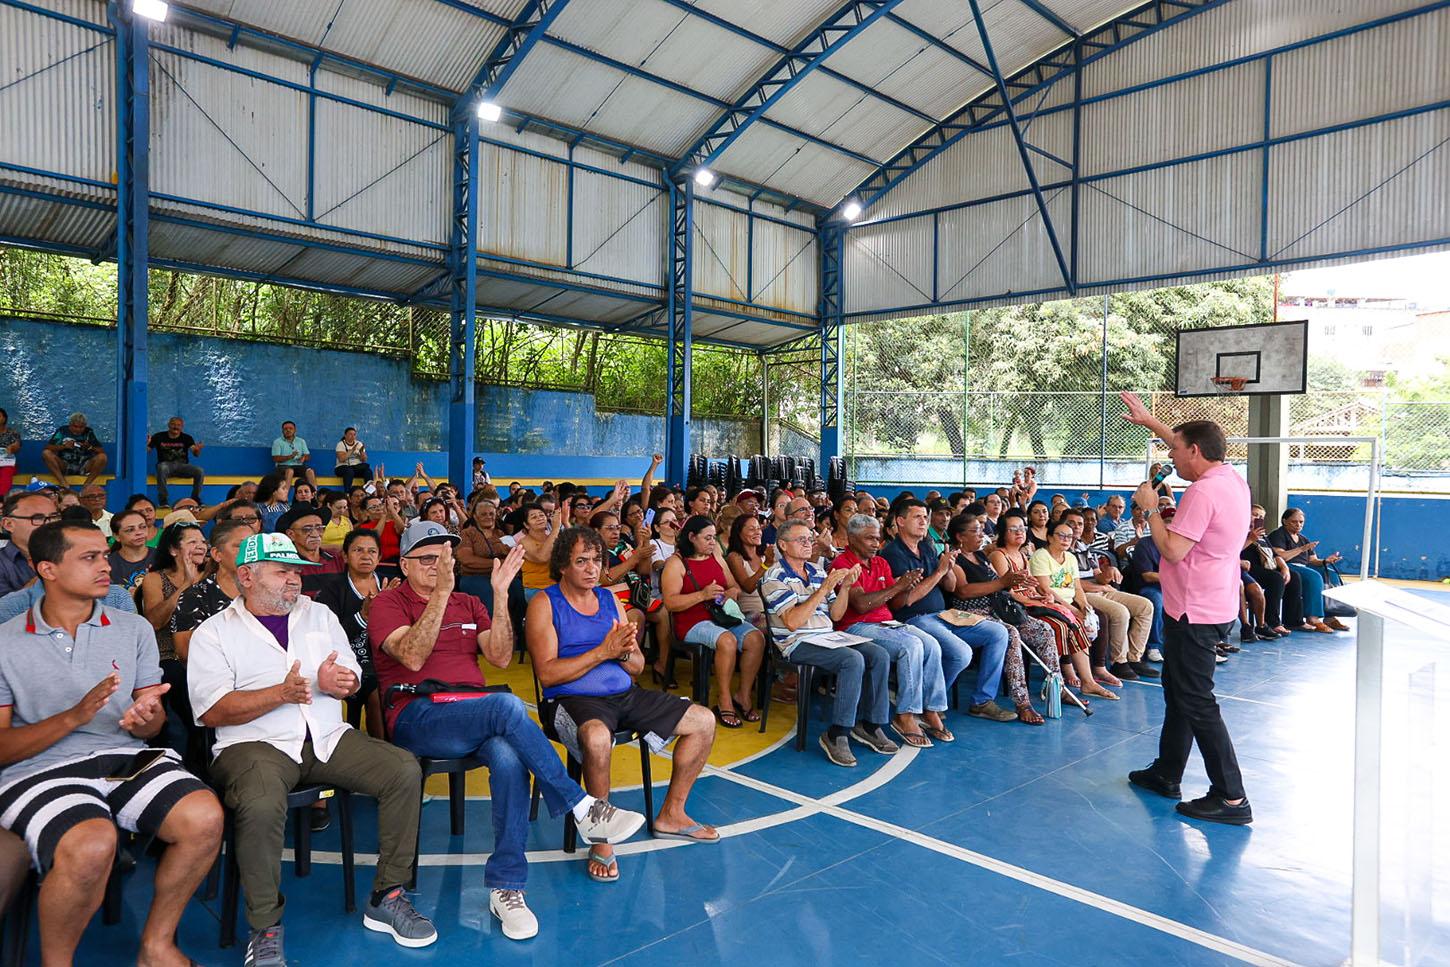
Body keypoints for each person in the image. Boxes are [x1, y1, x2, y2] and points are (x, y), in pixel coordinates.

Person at [372, 521, 644, 939]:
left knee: (506, 750)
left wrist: (499, 597)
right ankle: (581, 806)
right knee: (506, 705)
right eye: (428, 558)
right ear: (404, 564)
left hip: (475, 712)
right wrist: (441, 594)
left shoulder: (469, 602)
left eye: (445, 556)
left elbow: (500, 657)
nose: (438, 565)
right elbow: (410, 657)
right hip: (418, 714)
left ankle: (507, 886)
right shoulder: (388, 603)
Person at [189, 532, 436, 963]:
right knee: (262, 802)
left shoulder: (319, 615)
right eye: (282, 572)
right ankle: (264, 927)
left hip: (325, 737)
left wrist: (344, 683)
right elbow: (211, 711)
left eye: (297, 572)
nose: (294, 581)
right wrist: (280, 694)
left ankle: (388, 895)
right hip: (254, 745)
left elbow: (351, 673)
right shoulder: (214, 632)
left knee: (402, 769)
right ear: (246, 576)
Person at [0, 519, 221, 967]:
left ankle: (156, 946)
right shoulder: (5, 642)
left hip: (124, 755)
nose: (106, 566)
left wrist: (147, 718)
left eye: (105, 555)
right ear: (48, 569)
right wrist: (74, 717)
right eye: (90, 558)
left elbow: (148, 724)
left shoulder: (132, 628)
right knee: (91, 843)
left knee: (204, 817)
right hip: (39, 767)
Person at [529, 525, 718, 884]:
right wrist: (604, 651)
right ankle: (601, 836)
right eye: (580, 561)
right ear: (563, 566)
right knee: (599, 738)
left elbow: (635, 668)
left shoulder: (608, 599)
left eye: (596, 560)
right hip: (571, 701)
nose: (590, 568)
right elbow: (549, 674)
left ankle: (672, 813)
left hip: (624, 695)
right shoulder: (545, 602)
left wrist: (626, 651)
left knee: (703, 721)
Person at [1120, 392, 1253, 825]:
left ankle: (1232, 798)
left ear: (1194, 452)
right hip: (1209, 604)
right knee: (1179, 694)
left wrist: (1151, 510)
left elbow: (1173, 550)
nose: (1171, 456)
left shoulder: (1200, 493)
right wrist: (1151, 423)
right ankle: (1167, 772)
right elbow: (1186, 443)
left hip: (1194, 611)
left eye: (1175, 450)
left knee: (1197, 702)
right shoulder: (1231, 479)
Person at [763, 520, 896, 766]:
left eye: (809, 539)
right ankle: (837, 733)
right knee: (852, 660)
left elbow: (835, 615)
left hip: (827, 636)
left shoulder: (816, 571)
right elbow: (792, 621)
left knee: (878, 654)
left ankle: (870, 723)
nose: (807, 544)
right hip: (796, 642)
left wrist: (844, 587)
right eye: (800, 540)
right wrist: (824, 588)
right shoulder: (774, 576)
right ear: (782, 545)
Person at [880, 499, 1016, 723]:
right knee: (961, 653)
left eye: (925, 516)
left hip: (943, 615)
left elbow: (950, 586)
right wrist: (938, 572)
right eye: (917, 517)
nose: (924, 521)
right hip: (915, 618)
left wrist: (948, 568)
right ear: (900, 521)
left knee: (998, 633)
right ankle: (928, 702)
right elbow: (904, 600)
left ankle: (982, 700)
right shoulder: (893, 554)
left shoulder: (926, 546)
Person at [833, 514, 954, 745]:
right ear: (851, 538)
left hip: (887, 623)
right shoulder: (843, 564)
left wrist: (906, 587)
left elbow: (895, 603)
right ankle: (905, 715)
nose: (875, 544)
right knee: (911, 645)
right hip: (857, 626)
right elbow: (860, 604)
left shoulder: (880, 563)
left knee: (931, 644)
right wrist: (897, 586)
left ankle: (931, 709)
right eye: (869, 538)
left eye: (877, 538)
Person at [661, 516, 767, 728]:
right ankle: (724, 699)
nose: (713, 542)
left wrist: (729, 594)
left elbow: (735, 586)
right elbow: (671, 603)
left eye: (713, 537)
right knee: (726, 640)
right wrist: (703, 595)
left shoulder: (716, 557)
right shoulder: (676, 563)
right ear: (691, 537)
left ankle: (743, 695)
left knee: (756, 638)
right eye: (707, 538)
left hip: (720, 617)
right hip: (691, 621)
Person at [946, 513, 1049, 725]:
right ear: (960, 536)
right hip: (970, 614)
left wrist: (1019, 584)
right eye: (975, 531)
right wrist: (1003, 582)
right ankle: (1019, 702)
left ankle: (1057, 687)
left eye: (981, 529)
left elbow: (1000, 583)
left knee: (1043, 629)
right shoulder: (954, 558)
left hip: (996, 609)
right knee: (1009, 633)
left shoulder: (982, 556)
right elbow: (963, 591)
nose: (981, 534)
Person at [312, 529, 397, 739]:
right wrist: (364, 616)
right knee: (373, 688)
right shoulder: (332, 589)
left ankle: (386, 749)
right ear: (345, 556)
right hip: (346, 661)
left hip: (387, 661)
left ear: (379, 557)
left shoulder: (392, 585)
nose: (366, 556)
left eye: (372, 551)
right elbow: (327, 637)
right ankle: (377, 750)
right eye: (358, 550)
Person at [138, 520, 208, 667]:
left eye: (203, 541)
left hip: (208, 653)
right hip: (168, 657)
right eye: (192, 542)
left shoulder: (212, 575)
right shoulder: (155, 578)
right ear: (173, 550)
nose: (201, 546)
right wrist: (186, 585)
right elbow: (154, 623)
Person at [1268, 509, 1344, 633]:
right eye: (1294, 522)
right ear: (1285, 521)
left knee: (1330, 574)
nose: (1298, 525)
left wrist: (1325, 561)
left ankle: (1330, 615)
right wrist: (1301, 549)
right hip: (1286, 566)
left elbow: (1313, 560)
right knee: (1313, 577)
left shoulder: (1303, 538)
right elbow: (1281, 556)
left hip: (1303, 566)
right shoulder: (1278, 535)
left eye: (1301, 522)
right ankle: (1312, 618)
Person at [0, 491, 57, 595]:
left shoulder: (72, 554)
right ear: (8, 524)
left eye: (54, 517)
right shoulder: (3, 563)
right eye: (38, 518)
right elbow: (4, 610)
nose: (49, 524)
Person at [457, 497, 509, 611]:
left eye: (491, 514)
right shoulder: (468, 533)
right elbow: (466, 560)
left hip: (500, 577)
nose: (488, 517)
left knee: (516, 589)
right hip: (473, 577)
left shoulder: (500, 534)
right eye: (483, 514)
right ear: (475, 516)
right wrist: (499, 563)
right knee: (490, 594)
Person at [149, 416, 205, 507]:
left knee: (200, 471)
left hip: (183, 466)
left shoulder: (187, 438)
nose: (176, 427)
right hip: (166, 466)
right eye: (173, 424)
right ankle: (163, 501)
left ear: (182, 427)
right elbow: (147, 450)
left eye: (178, 425)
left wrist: (198, 449)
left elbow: (195, 453)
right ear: (168, 425)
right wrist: (145, 444)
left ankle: (195, 499)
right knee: (162, 467)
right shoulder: (158, 436)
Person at [42, 412, 107, 491]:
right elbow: (48, 447)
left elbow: (101, 451)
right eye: (75, 427)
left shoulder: (88, 432)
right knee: (46, 453)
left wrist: (89, 447)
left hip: (84, 465)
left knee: (102, 457)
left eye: (81, 427)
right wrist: (64, 446)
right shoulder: (62, 431)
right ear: (70, 424)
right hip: (65, 465)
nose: (78, 429)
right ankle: (63, 483)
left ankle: (87, 485)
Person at [278, 504, 345, 576]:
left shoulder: (337, 559)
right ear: (291, 534)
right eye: (307, 529)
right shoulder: (285, 565)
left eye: (319, 528)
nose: (315, 534)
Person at [105, 507, 155, 592]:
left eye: (143, 527)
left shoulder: (163, 557)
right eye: (130, 530)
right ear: (116, 536)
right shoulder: (107, 565)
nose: (139, 532)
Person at [270, 420, 316, 488]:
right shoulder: (277, 442)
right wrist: (290, 456)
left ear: (295, 430)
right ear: (282, 431)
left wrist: (303, 457)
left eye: (291, 428)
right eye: (285, 429)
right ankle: (285, 495)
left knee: (310, 471)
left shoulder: (301, 441)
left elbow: (308, 456)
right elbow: (275, 458)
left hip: (298, 466)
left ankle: (314, 494)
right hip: (282, 467)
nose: (288, 430)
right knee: (290, 471)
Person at [334, 427, 371, 493]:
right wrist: (352, 450)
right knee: (349, 471)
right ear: (345, 435)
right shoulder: (340, 444)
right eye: (350, 434)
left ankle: (369, 492)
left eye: (354, 434)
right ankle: (347, 493)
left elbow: (364, 460)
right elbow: (341, 459)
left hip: (356, 468)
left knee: (368, 471)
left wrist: (362, 452)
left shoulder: (359, 444)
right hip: (342, 468)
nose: (353, 436)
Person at [0, 408, 18, 496]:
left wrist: (12, 447)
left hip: (6, 463)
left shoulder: (12, 433)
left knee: (6, 471)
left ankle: (1, 497)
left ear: (4, 418)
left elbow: (17, 446)